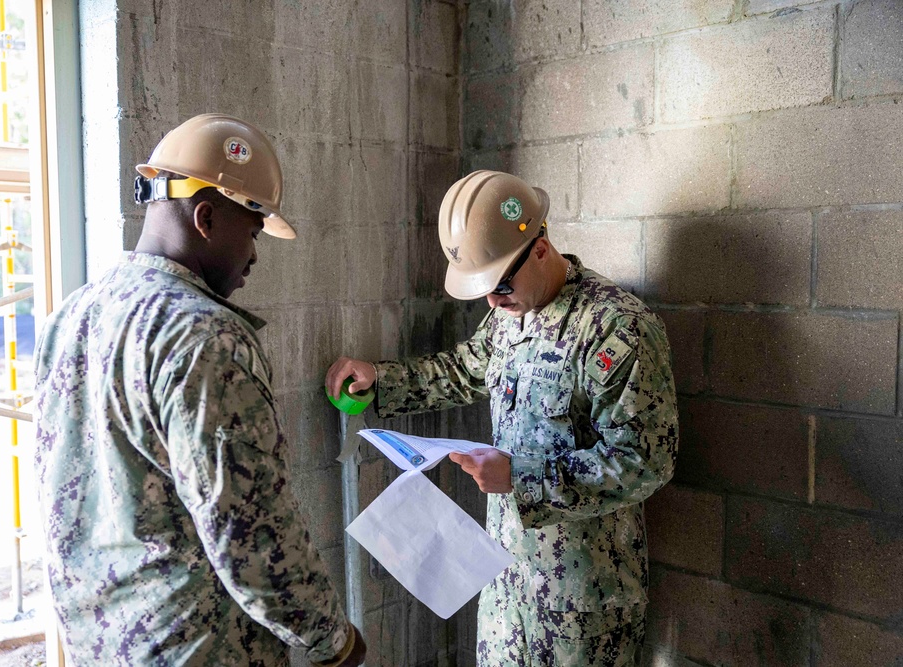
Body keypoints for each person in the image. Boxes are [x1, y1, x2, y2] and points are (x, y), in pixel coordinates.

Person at [34, 114, 365, 667]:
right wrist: (334, 642)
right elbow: (253, 536)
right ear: (206, 217)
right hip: (199, 649)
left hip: (102, 647)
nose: (254, 257)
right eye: (253, 232)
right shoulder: (206, 337)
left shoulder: (72, 315)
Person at [326, 170, 678, 666]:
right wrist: (380, 381)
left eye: (500, 284)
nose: (493, 301)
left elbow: (645, 461)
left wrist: (521, 475)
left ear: (540, 246)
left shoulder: (617, 328)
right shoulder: (512, 313)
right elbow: (465, 370)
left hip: (582, 604)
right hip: (507, 596)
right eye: (484, 291)